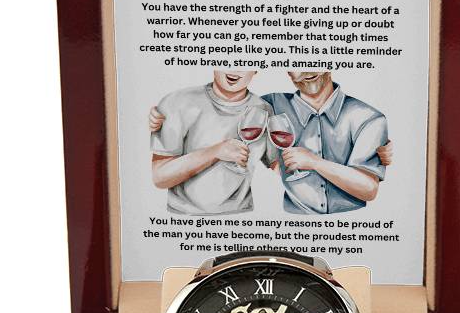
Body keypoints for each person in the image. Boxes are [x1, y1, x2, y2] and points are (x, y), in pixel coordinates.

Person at [150, 69, 393, 215]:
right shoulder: (268, 105)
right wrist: (156, 117)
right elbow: (160, 176)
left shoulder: (369, 118)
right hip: (189, 218)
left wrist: (315, 163)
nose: (307, 69)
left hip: (352, 221)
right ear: (287, 71)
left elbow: (369, 189)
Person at [149, 68, 271, 216]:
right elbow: (159, 177)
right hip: (183, 217)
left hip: (243, 215)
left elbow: (278, 164)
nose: (235, 69)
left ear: (256, 69)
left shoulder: (264, 108)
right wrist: (215, 152)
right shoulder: (177, 101)